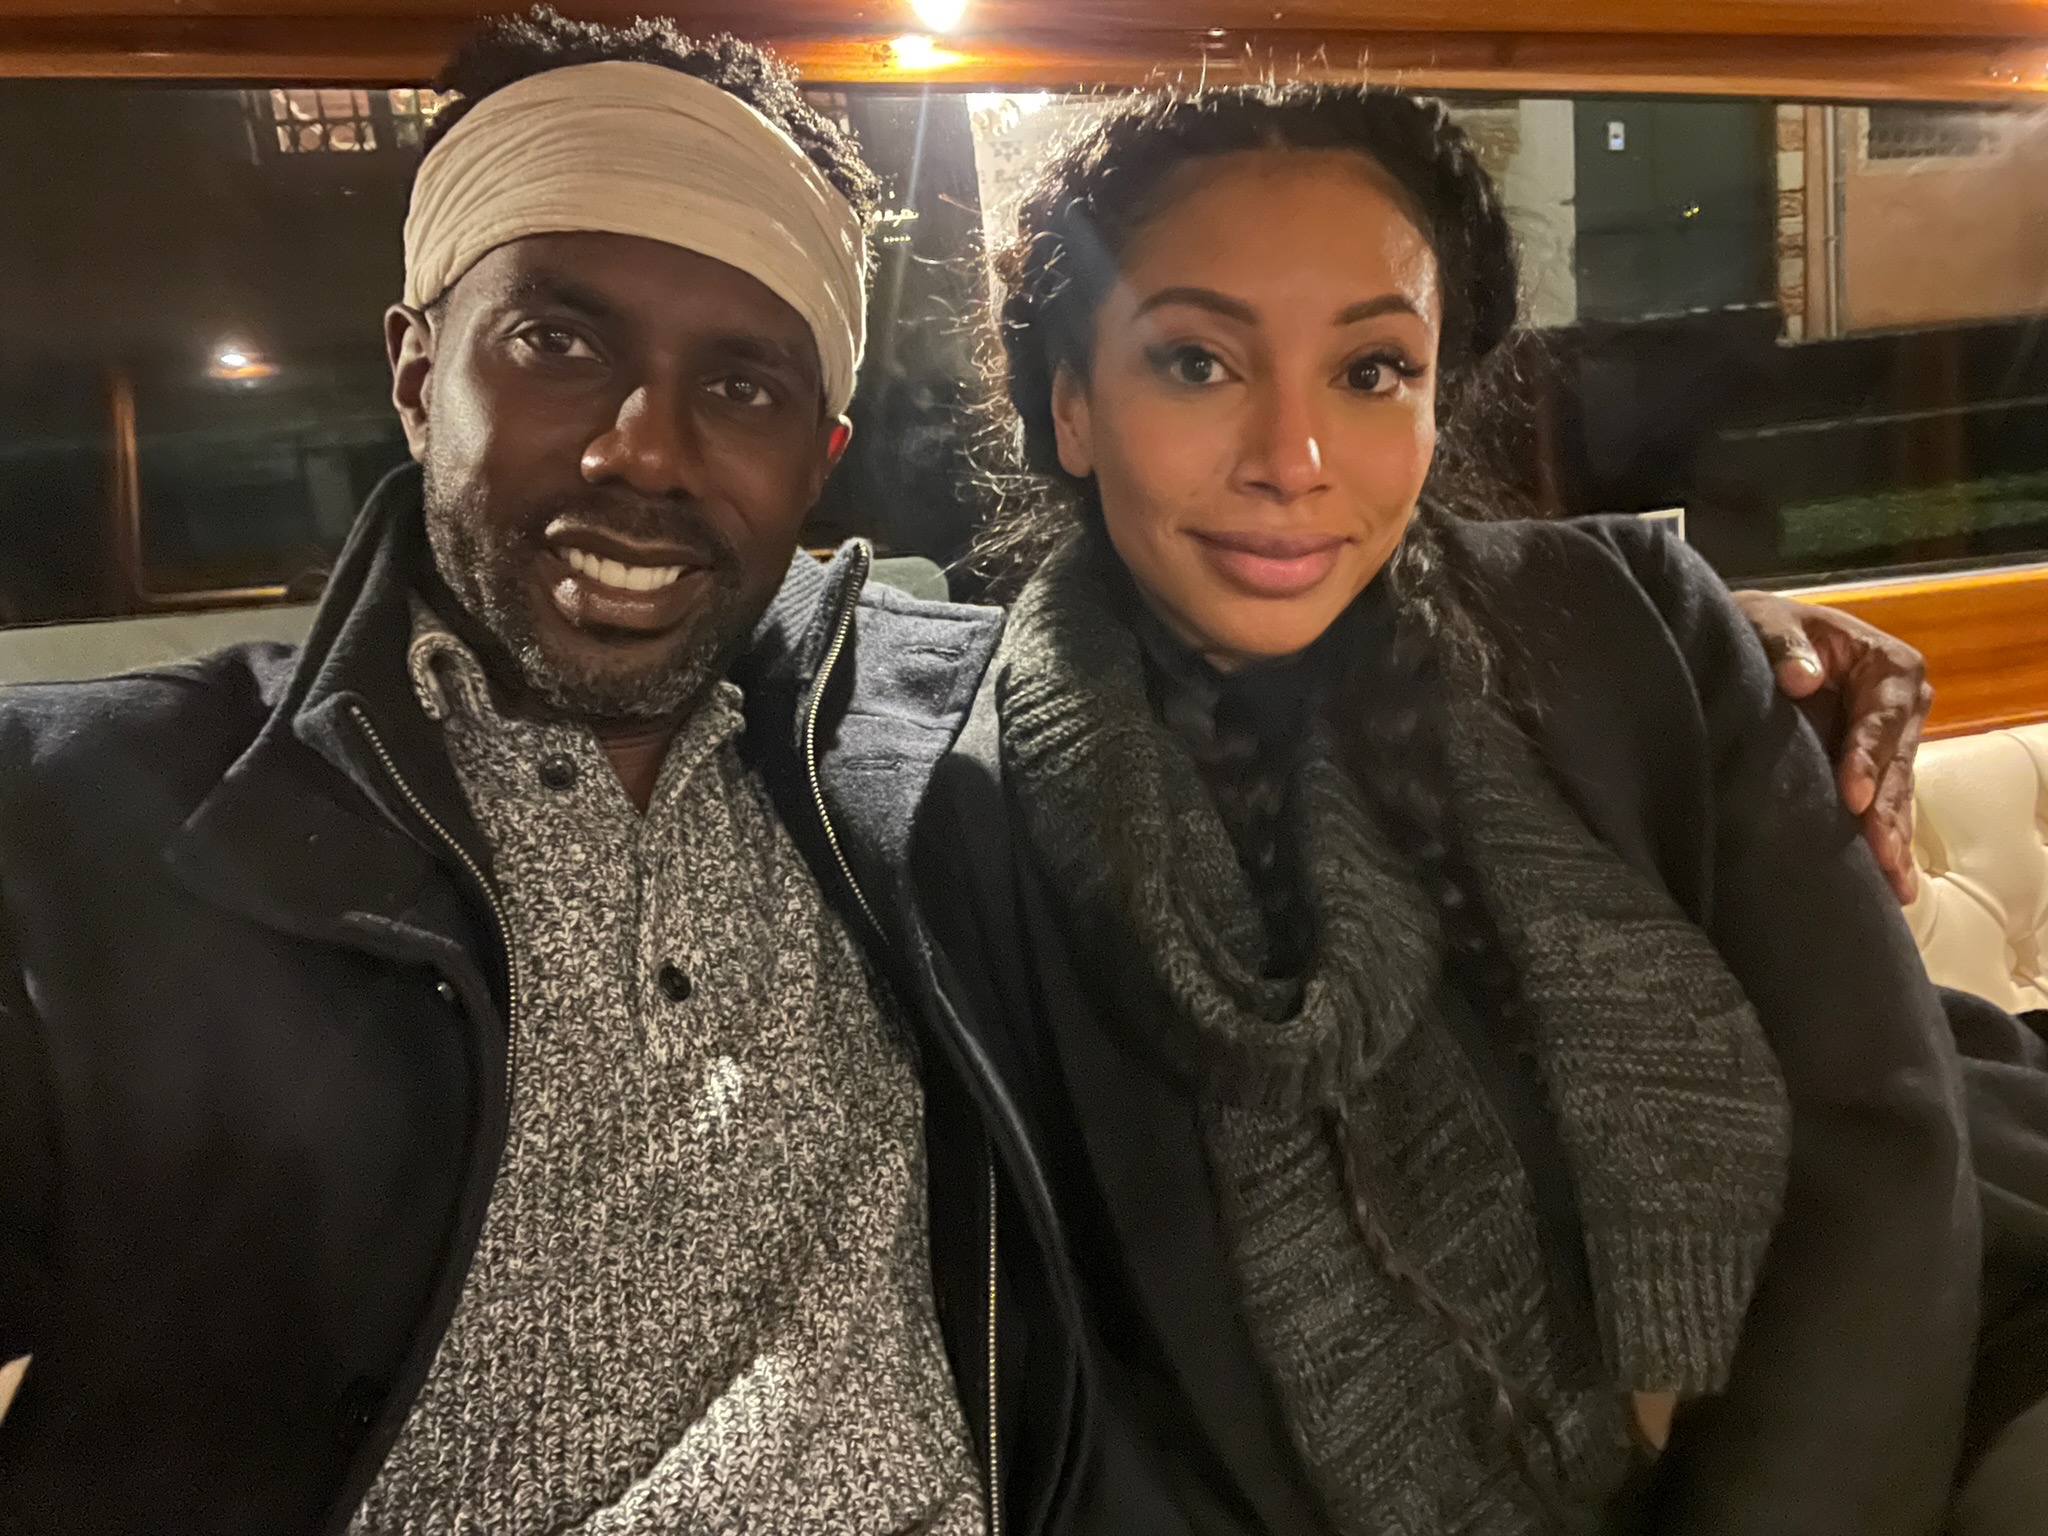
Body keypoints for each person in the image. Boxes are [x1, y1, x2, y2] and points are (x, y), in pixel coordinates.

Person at [0, 14, 1963, 1535]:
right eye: (557, 343)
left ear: (824, 446)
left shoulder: (909, 716)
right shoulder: (89, 820)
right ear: (420, 365)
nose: (641, 449)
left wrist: (1740, 647)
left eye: (741, 383)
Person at [908, 84, 1984, 1535]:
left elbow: (1884, 1146)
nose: (1294, 459)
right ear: (1073, 406)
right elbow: (1095, 1403)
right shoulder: (969, 821)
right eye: (1196, 361)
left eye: (1371, 370)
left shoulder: (1636, 632)